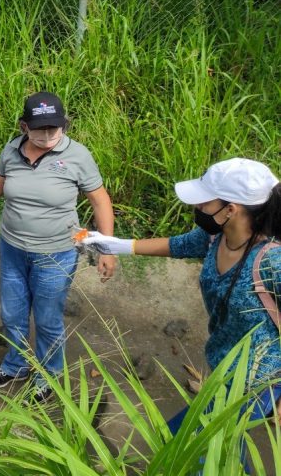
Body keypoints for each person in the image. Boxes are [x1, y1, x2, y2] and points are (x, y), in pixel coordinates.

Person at [0, 91, 117, 402]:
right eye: (40, 129)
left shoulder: (77, 156)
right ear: (24, 127)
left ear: (64, 126)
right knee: (13, 312)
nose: (48, 136)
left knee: (47, 319)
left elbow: (101, 201)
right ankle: (17, 364)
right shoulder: (11, 150)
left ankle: (48, 376)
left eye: (55, 129)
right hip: (13, 248)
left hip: (56, 252)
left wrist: (107, 248)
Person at [82, 158, 281, 435]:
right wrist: (117, 245)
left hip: (256, 382)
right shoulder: (216, 236)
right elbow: (178, 245)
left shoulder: (273, 260)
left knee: (178, 442)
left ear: (231, 210)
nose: (196, 207)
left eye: (204, 202)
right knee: (220, 451)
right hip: (221, 362)